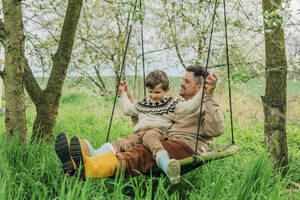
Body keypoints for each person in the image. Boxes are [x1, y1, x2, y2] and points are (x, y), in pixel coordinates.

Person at [55, 65, 224, 183]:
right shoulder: (175, 104)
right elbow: (145, 118)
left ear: (200, 86)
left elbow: (215, 130)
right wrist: (127, 96)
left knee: (141, 152)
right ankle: (82, 162)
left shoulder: (205, 105)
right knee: (126, 144)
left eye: (187, 81)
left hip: (184, 147)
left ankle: (90, 168)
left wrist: (209, 95)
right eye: (183, 79)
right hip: (161, 141)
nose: (182, 83)